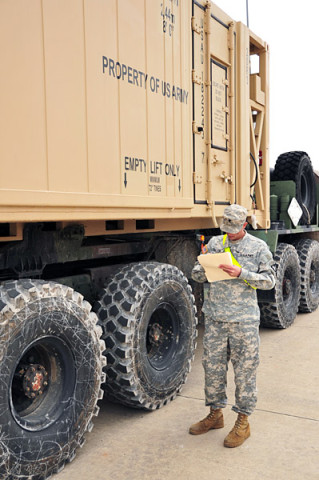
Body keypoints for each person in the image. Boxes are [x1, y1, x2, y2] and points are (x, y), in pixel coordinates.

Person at [189, 204, 275, 447]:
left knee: (244, 373)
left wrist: (241, 273)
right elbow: (196, 273)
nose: (230, 233)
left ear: (244, 225)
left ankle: (243, 422)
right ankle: (215, 415)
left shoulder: (258, 247)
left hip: (244, 321)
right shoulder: (215, 243)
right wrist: (208, 271)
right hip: (216, 319)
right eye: (227, 228)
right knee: (213, 370)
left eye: (235, 229)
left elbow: (269, 281)